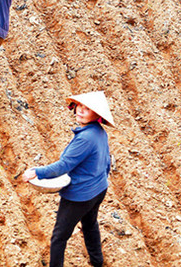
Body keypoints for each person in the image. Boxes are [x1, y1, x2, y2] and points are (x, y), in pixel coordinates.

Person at [21, 91, 114, 267]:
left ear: (97, 115)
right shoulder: (99, 133)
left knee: (59, 237)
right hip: (99, 189)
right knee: (90, 224)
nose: (81, 110)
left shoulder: (85, 138)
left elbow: (63, 166)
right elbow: (106, 162)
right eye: (80, 106)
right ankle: (97, 261)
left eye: (87, 109)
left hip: (80, 196)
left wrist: (36, 172)